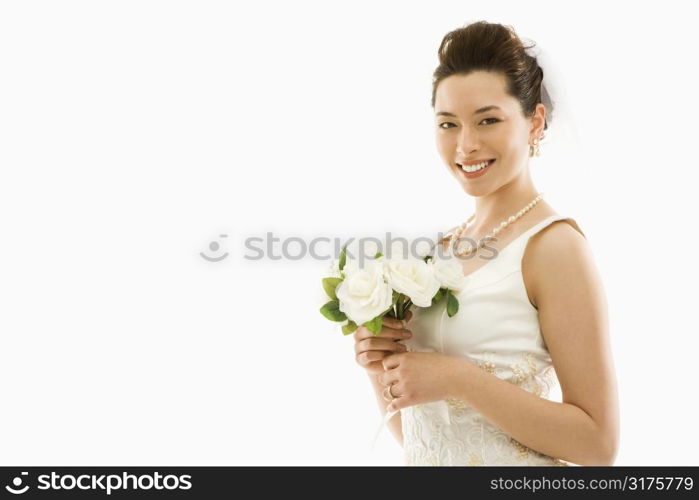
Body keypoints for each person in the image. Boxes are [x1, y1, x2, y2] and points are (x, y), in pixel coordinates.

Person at [353, 20, 619, 466]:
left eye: (488, 120)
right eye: (448, 124)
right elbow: (426, 439)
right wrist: (379, 369)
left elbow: (598, 445)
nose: (466, 145)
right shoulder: (436, 253)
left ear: (534, 121)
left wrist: (460, 379)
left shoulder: (554, 247)